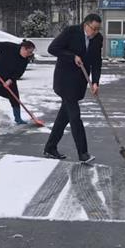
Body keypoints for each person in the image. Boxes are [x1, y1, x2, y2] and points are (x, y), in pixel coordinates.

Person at [44, 13, 103, 162]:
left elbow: (96, 61)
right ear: (86, 25)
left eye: (98, 29)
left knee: (63, 117)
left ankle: (50, 148)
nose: (96, 32)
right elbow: (52, 49)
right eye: (94, 29)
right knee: (75, 116)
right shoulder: (71, 32)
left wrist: (95, 82)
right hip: (64, 80)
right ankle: (83, 153)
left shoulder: (98, 39)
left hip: (79, 82)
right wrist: (72, 56)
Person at [0, 39, 36, 125]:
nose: (30, 54)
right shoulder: (9, 47)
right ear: (23, 48)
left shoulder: (25, 59)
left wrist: (10, 80)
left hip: (9, 78)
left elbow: (19, 72)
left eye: (31, 53)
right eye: (29, 52)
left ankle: (18, 119)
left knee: (15, 98)